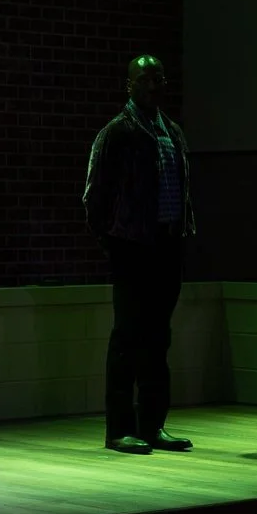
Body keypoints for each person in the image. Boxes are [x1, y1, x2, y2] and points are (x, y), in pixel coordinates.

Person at [82, 55, 196, 456]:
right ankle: (119, 429)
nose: (152, 86)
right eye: (144, 79)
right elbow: (94, 196)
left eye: (158, 79)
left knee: (158, 338)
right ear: (129, 85)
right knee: (127, 338)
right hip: (132, 248)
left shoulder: (172, 132)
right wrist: (115, 243)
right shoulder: (117, 132)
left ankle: (152, 424)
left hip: (167, 245)